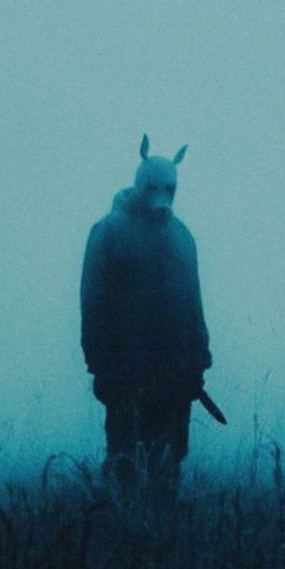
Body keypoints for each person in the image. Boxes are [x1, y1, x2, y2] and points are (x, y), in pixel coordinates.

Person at [80, 134, 212, 492]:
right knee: (126, 465)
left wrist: (198, 361)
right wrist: (101, 365)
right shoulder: (108, 232)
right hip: (126, 372)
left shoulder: (182, 237)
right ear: (140, 185)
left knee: (167, 468)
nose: (162, 196)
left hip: (176, 374)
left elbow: (193, 304)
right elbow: (93, 304)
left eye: (168, 188)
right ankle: (126, 525)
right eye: (154, 187)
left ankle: (160, 526)